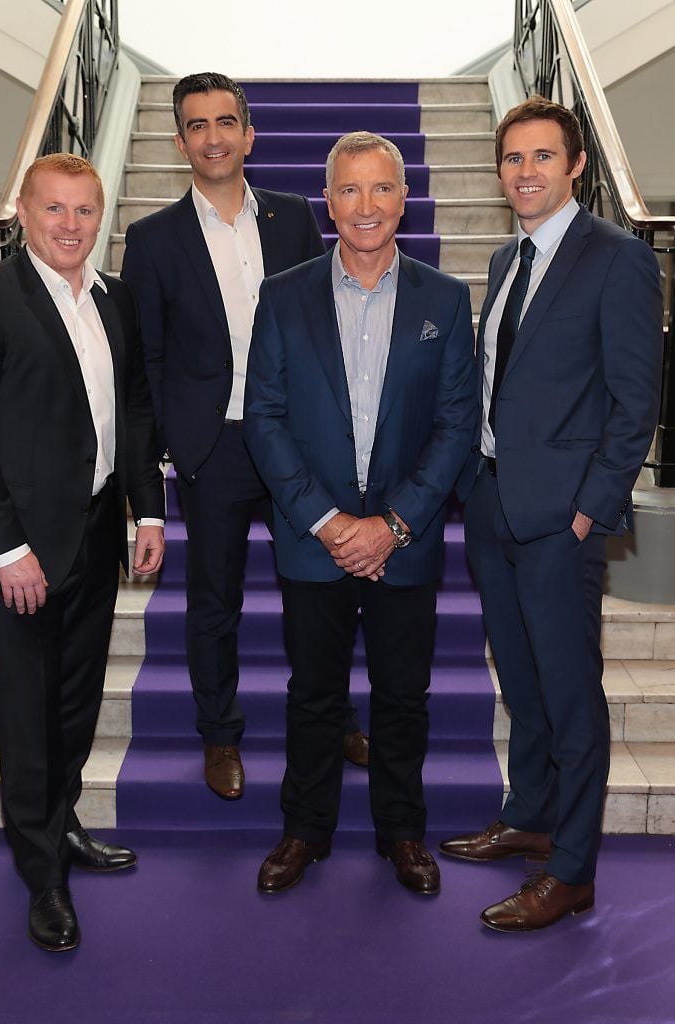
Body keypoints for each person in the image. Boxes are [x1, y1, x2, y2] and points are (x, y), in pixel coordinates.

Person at [439, 97, 663, 931]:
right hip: (494, 505)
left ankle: (570, 870)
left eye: (540, 157)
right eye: (511, 159)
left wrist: (589, 511)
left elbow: (635, 400)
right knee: (525, 683)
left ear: (574, 165)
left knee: (571, 697)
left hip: (561, 520)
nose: (523, 171)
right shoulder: (505, 260)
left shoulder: (615, 260)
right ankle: (528, 814)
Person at [0, 153, 166, 952]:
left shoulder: (116, 300)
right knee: (28, 714)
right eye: (54, 210)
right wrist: (5, 550)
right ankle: (42, 876)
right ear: (24, 214)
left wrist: (149, 513)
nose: (70, 225)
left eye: (83, 210)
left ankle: (61, 823)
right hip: (22, 553)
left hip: (99, 532)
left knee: (73, 702)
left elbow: (133, 414)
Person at [122, 72, 369, 802]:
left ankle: (333, 717)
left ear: (249, 134)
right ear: (179, 142)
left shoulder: (293, 218)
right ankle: (220, 734)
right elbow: (148, 357)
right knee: (213, 601)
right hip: (214, 446)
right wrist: (179, 442)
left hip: (293, 438)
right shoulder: (152, 238)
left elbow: (321, 328)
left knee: (316, 593)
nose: (214, 136)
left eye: (226, 121)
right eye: (197, 125)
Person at [244, 131, 476, 894]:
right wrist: (330, 523)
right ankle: (303, 831)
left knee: (403, 697)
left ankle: (401, 833)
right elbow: (266, 419)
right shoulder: (282, 296)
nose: (366, 206)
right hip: (315, 542)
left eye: (381, 189)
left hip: (403, 543)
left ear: (403, 201)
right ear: (327, 203)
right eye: (349, 190)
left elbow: (454, 425)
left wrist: (393, 525)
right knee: (313, 695)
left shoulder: (444, 299)